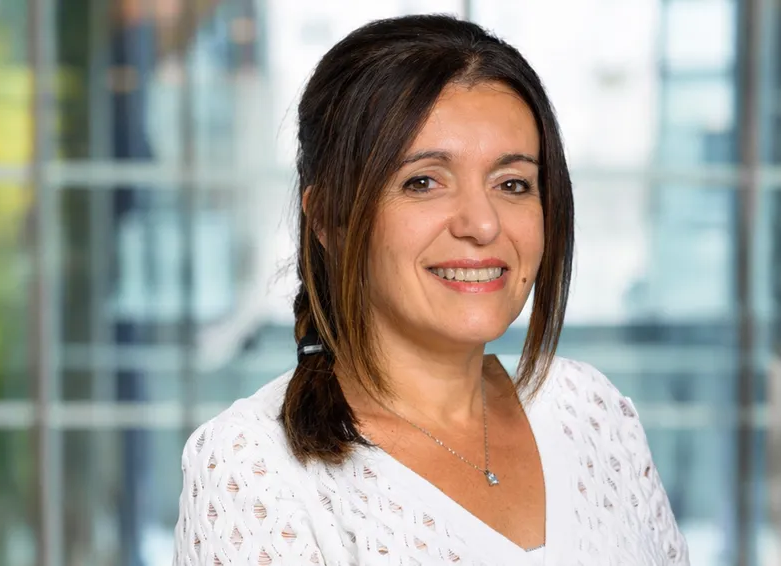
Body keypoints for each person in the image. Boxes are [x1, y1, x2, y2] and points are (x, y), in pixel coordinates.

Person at [172, 14, 688, 566]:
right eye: (423, 182)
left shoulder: (590, 409)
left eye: (512, 183)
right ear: (327, 219)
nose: (482, 224)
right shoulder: (254, 468)